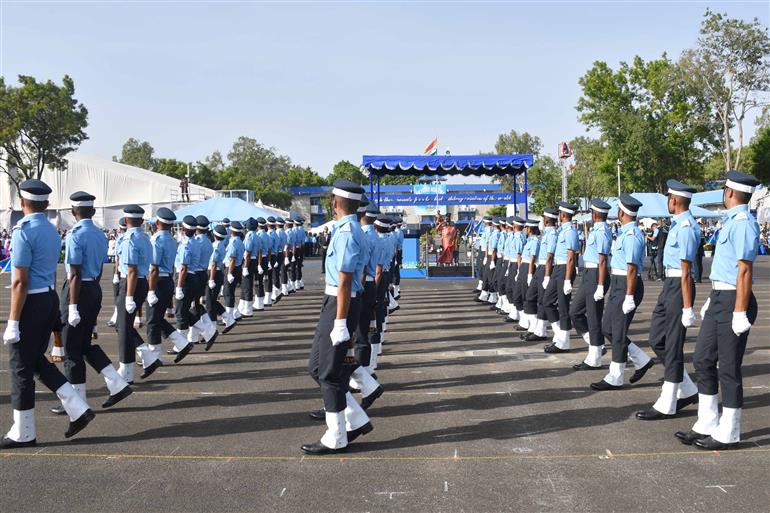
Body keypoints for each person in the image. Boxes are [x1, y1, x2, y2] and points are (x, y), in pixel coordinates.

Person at [2, 179, 94, 448]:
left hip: (30, 302)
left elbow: (19, 281)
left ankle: (24, 432)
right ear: (46, 204)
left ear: (22, 203)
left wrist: (13, 321)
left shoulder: (23, 231)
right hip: (48, 298)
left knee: (20, 366)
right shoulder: (54, 232)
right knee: (35, 361)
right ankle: (77, 407)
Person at [675, 171, 760, 450]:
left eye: (725, 190)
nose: (724, 194)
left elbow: (745, 270)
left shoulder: (744, 223)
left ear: (731, 193)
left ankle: (730, 430)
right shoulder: (731, 221)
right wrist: (713, 297)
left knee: (729, 368)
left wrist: (739, 311)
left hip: (736, 299)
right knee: (702, 359)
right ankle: (708, 420)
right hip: (720, 296)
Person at [303, 180, 372, 455]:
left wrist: (341, 322)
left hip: (339, 304)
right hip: (337, 302)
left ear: (335, 203)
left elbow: (345, 280)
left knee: (330, 374)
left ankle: (336, 436)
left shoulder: (346, 232)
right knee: (318, 367)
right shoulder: (352, 229)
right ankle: (355, 419)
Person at [50, 191, 132, 417]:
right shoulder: (99, 234)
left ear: (72, 211)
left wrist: (73, 306)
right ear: (93, 211)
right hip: (94, 289)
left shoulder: (75, 234)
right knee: (84, 345)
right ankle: (117, 383)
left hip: (78, 291)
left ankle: (77, 402)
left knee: (72, 350)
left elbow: (74, 273)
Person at [636, 180, 701, 420]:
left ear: (674, 200)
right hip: (670, 286)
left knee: (673, 345)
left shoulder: (686, 227)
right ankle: (687, 388)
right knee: (657, 338)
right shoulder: (677, 225)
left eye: (669, 198)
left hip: (679, 286)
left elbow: (686, 270)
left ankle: (668, 401)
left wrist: (687, 307)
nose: (667, 201)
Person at [591, 194, 654, 391]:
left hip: (628, 284)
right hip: (620, 282)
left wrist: (628, 296)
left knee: (617, 332)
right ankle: (641, 359)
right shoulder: (625, 232)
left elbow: (632, 269)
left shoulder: (632, 235)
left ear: (622, 212)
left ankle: (615, 376)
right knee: (607, 328)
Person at [142, 207, 190, 376]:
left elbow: (153, 268)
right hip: (167, 279)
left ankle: (154, 356)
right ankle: (181, 343)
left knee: (152, 321)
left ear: (157, 223)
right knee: (156, 319)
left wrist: (150, 290)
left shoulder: (157, 239)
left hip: (158, 280)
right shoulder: (171, 239)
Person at [570, 199, 612, 370]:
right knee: (575, 312)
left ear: (595, 215)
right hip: (589, 274)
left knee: (594, 317)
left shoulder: (602, 231)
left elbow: (602, 261)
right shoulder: (597, 229)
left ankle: (594, 358)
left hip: (596, 275)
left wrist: (601, 285)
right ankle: (596, 344)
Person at [115, 205, 153, 383]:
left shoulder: (129, 238)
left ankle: (126, 370)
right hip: (141, 282)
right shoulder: (145, 237)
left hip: (131, 283)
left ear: (127, 220)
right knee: (124, 326)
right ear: (142, 220)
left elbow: (131, 270)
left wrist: (129, 296)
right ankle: (146, 355)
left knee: (123, 328)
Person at [543, 201, 580, 354]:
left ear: (563, 215)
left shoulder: (570, 231)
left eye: (559, 213)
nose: (558, 216)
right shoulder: (562, 230)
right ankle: (559, 335)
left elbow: (571, 257)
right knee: (547, 301)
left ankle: (564, 342)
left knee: (563, 306)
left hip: (565, 268)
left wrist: (567, 279)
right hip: (558, 268)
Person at [521, 208, 558, 342]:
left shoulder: (552, 234)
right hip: (540, 268)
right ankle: (535, 328)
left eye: (544, 218)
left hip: (546, 269)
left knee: (543, 300)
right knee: (530, 296)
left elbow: (549, 257)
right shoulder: (547, 233)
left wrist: (547, 276)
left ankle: (541, 330)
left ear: (547, 220)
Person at [516, 219, 541, 333]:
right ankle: (526, 322)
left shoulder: (535, 241)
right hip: (524, 267)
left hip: (529, 268)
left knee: (528, 297)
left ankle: (533, 325)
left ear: (530, 229)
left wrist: (530, 274)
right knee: (520, 294)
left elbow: (532, 260)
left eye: (527, 228)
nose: (525, 230)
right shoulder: (529, 240)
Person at [222, 220, 246, 327]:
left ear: (231, 231)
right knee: (230, 292)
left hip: (231, 268)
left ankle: (229, 317)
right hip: (237, 268)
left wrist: (229, 273)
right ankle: (235, 313)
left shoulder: (233, 243)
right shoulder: (240, 241)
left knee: (228, 293)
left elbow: (232, 259)